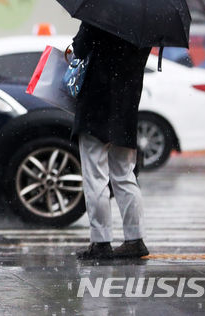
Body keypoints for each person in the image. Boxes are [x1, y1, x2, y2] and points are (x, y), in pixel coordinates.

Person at [71, 22, 151, 260]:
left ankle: (101, 242)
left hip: (96, 105)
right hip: (125, 108)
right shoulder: (145, 24)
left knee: (95, 177)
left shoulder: (99, 12)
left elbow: (80, 49)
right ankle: (135, 239)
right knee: (125, 176)